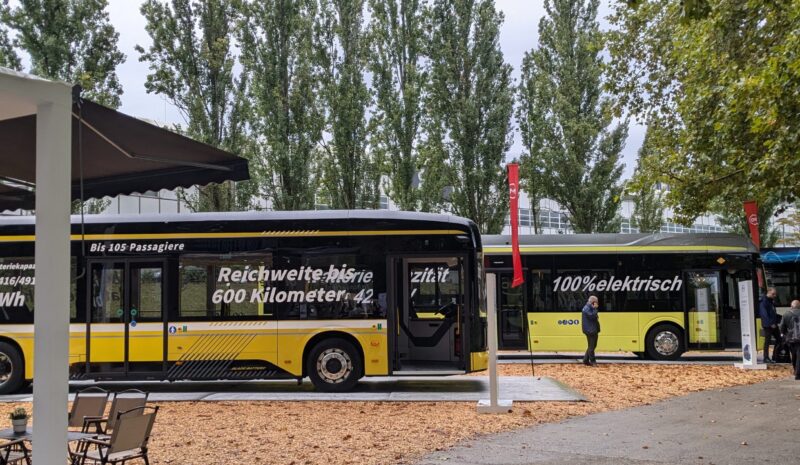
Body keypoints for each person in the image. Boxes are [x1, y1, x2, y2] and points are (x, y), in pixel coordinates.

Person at [779, 300, 800, 379]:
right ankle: (798, 374)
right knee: (799, 356)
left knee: (794, 355)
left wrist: (783, 335)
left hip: (790, 339)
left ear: (791, 306)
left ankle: (795, 371)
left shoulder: (786, 314)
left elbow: (782, 327)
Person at [759, 287, 781, 363]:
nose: (774, 295)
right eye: (773, 294)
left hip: (773, 324)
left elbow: (773, 313)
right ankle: (766, 357)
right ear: (768, 292)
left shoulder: (771, 301)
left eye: (775, 294)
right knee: (767, 341)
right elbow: (764, 314)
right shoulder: (764, 301)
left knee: (779, 339)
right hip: (768, 325)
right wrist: (770, 323)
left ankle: (775, 356)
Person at [581, 295, 600, 366]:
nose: (597, 304)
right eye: (596, 302)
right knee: (592, 346)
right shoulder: (587, 308)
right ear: (593, 302)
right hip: (590, 330)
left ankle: (585, 360)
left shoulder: (588, 308)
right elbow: (592, 317)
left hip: (591, 329)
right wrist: (595, 309)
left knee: (592, 346)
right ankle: (593, 361)